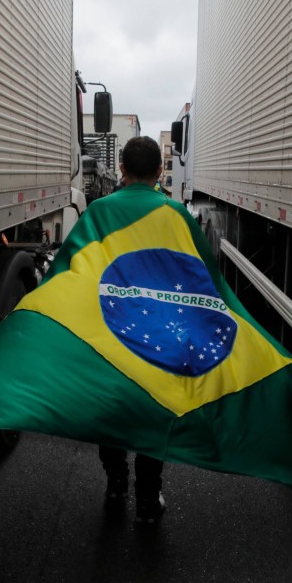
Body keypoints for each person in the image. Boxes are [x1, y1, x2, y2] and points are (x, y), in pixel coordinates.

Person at [98, 136, 168, 525]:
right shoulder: (175, 213)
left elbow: (75, 267)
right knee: (152, 407)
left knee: (111, 403)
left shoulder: (100, 212)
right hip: (158, 329)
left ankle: (115, 482)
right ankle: (147, 496)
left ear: (121, 169)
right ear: (160, 171)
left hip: (110, 326)